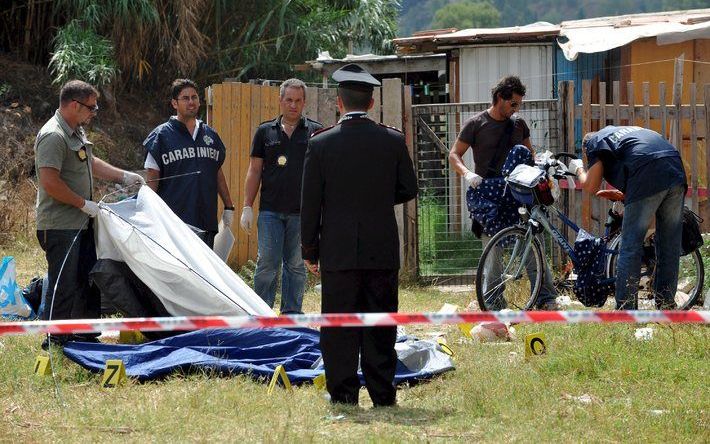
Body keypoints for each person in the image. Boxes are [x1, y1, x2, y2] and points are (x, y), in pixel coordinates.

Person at [301, 64, 418, 407]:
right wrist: (379, 198)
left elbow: (310, 203)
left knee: (338, 326)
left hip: (337, 250)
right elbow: (408, 188)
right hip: (381, 248)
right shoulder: (392, 140)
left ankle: (343, 396)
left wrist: (310, 249)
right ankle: (383, 395)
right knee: (381, 323)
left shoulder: (321, 144)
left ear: (339, 102)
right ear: (370, 104)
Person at [34, 80, 145, 348]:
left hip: (81, 223)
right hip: (61, 225)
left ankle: (84, 334)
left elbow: (90, 162)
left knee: (86, 277)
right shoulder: (53, 135)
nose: (94, 112)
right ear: (74, 105)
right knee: (65, 282)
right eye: (91, 107)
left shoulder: (75, 132)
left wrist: (123, 175)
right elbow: (49, 182)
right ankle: (57, 340)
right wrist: (81, 203)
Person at [448, 75, 559, 310]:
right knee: (493, 251)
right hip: (488, 193)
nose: (516, 109)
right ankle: (494, 303)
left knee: (532, 244)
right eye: (513, 104)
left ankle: (546, 298)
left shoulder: (518, 124)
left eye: (518, 104)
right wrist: (467, 174)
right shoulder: (476, 124)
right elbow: (454, 154)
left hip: (518, 193)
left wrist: (543, 167)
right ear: (500, 98)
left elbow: (531, 155)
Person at [569, 126, 687, 309]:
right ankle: (666, 306)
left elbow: (590, 186)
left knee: (630, 246)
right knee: (669, 246)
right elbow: (640, 156)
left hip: (647, 173)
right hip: (674, 167)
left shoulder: (595, 142)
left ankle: (626, 310)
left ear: (586, 150)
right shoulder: (620, 134)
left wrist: (578, 169)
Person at [240, 79, 322, 314]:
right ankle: (261, 312)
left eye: (298, 101)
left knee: (296, 266)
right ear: (280, 101)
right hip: (270, 212)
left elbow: (323, 173)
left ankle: (292, 314)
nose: (293, 105)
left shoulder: (316, 132)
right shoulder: (265, 131)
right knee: (267, 263)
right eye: (289, 100)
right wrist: (247, 205)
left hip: (303, 213)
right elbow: (254, 170)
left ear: (304, 102)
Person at [143, 79, 234, 248]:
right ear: (174, 103)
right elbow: (152, 181)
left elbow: (217, 172)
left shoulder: (211, 135)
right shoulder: (160, 136)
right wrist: (148, 212)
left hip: (206, 220)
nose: (191, 102)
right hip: (173, 223)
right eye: (185, 98)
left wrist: (229, 206)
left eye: (194, 97)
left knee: (202, 273)